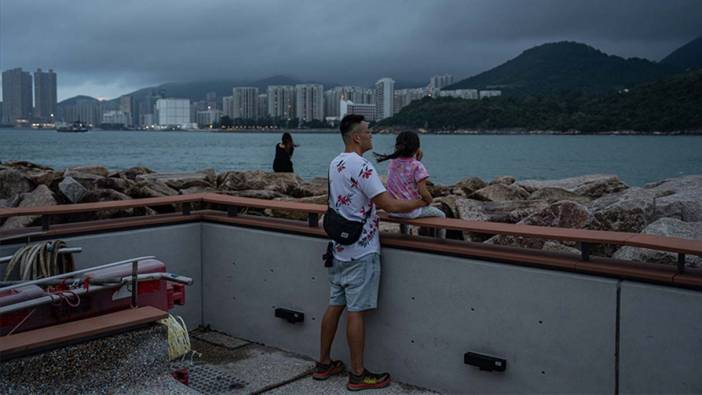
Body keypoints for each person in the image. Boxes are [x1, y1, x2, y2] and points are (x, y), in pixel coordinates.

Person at [314, 114, 431, 391]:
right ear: (356, 137)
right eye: (368, 132)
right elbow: (388, 204)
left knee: (335, 305)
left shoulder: (335, 163)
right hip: (362, 250)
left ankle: (323, 363)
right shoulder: (363, 166)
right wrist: (421, 202)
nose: (371, 136)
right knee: (356, 312)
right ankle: (357, 374)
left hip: (339, 248)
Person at [375, 131, 446, 238]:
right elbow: (423, 191)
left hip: (394, 210)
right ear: (417, 148)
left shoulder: (393, 162)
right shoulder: (417, 166)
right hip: (411, 211)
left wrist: (416, 159)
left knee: (404, 215)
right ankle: (441, 241)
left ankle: (405, 236)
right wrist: (429, 200)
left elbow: (405, 167)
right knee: (441, 215)